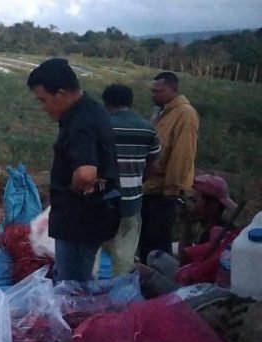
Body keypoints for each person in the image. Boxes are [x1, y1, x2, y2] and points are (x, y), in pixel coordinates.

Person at [26, 58, 120, 282]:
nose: (44, 107)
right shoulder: (91, 110)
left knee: (72, 285)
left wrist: (70, 189)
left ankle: (74, 317)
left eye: (44, 100)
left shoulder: (80, 122)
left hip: (79, 221)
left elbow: (86, 174)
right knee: (79, 278)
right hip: (89, 216)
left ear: (60, 94)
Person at [138, 174, 238, 296]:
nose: (188, 205)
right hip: (192, 278)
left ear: (212, 207)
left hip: (197, 294)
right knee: (154, 256)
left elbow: (185, 264)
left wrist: (186, 225)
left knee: (140, 271)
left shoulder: (215, 235)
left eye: (194, 201)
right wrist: (187, 225)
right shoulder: (218, 228)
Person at [99, 84, 161, 276]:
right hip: (131, 201)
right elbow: (152, 164)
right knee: (124, 255)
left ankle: (90, 296)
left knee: (94, 252)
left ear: (106, 102)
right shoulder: (147, 129)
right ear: (130, 102)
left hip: (101, 202)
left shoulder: (101, 126)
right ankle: (121, 296)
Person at [139, 71, 199, 260]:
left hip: (164, 192)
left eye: (159, 91)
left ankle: (158, 281)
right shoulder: (161, 112)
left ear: (173, 90)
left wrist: (172, 190)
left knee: (158, 241)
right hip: (150, 188)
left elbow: (182, 155)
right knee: (146, 239)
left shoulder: (185, 114)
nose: (154, 95)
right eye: (153, 91)